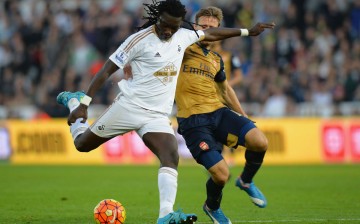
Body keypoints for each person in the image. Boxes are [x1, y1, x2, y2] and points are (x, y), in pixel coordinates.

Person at [56, 0, 275, 223]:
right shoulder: (138, 41)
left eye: (174, 26)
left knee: (170, 155)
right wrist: (83, 103)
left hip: (157, 116)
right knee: (82, 145)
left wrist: (248, 31)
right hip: (130, 107)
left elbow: (213, 33)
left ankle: (165, 215)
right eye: (164, 25)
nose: (168, 30)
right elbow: (106, 70)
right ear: (157, 18)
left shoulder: (184, 36)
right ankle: (72, 102)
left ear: (181, 24)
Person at [175, 6, 272, 224]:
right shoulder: (181, 48)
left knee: (260, 141)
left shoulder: (217, 59)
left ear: (219, 30)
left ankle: (246, 181)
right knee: (221, 174)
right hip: (193, 120)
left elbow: (226, 90)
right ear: (194, 26)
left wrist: (244, 115)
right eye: (203, 26)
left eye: (212, 27)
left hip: (218, 113)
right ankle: (212, 206)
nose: (208, 30)